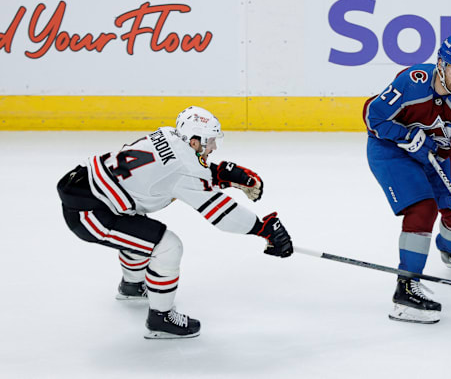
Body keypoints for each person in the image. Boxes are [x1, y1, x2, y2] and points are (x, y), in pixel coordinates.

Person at [56, 106, 293, 339]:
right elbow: (221, 213)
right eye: (209, 141)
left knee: (141, 234)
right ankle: (161, 318)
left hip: (86, 188)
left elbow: (177, 170)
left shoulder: (169, 134)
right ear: (193, 141)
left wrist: (226, 175)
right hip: (90, 213)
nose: (214, 146)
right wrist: (262, 229)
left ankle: (132, 286)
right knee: (167, 247)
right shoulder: (184, 169)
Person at [363, 36, 451, 324]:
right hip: (391, 152)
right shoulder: (413, 80)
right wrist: (405, 135)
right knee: (423, 208)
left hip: (431, 154)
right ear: (441, 65)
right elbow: (373, 116)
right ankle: (406, 290)